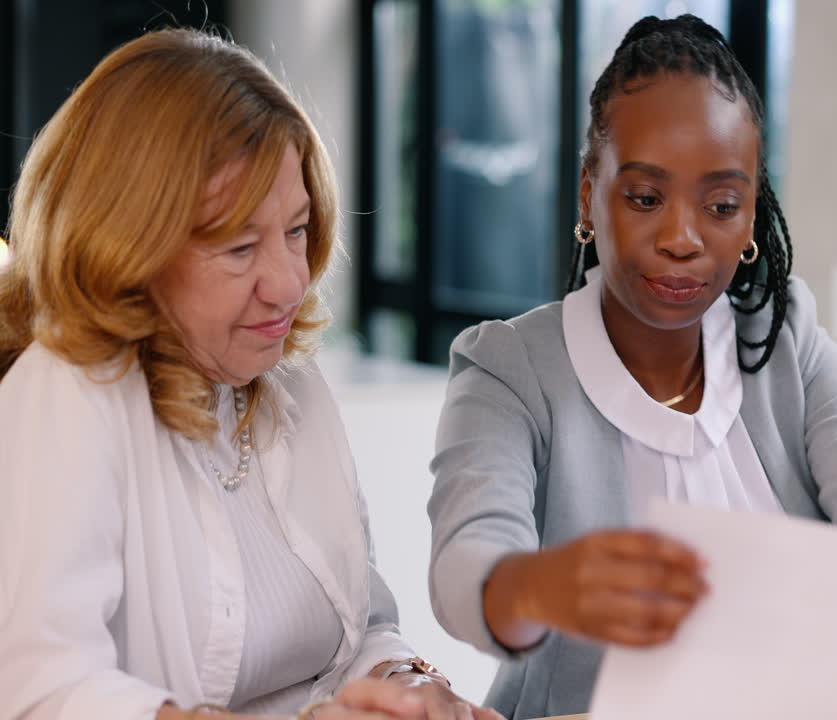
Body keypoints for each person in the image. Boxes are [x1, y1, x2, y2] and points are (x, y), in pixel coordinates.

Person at [427, 14, 837, 720]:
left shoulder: (783, 338)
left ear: (750, 217)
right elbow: (466, 565)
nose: (682, 238)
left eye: (721, 205)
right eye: (645, 198)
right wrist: (539, 586)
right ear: (590, 194)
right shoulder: (508, 369)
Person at [0, 29, 501, 720]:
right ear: (128, 251)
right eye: (239, 247)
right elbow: (40, 692)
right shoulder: (70, 395)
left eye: (296, 230)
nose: (290, 283)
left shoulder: (289, 383)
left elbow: (361, 626)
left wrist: (406, 682)